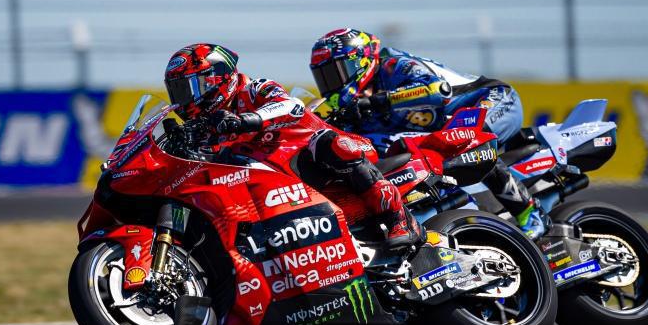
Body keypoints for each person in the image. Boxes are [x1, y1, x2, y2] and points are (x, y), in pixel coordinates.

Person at [163, 42, 421, 248]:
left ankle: (399, 219)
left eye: (189, 89)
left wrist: (247, 120)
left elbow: (292, 106)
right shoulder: (210, 127)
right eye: (178, 92)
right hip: (287, 192)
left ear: (216, 79)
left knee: (330, 144)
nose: (185, 101)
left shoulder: (254, 89)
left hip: (331, 153)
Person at [309, 28, 545, 238]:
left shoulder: (393, 65)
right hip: (445, 127)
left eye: (335, 73)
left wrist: (380, 101)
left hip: (494, 99)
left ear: (359, 62)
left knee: (465, 138)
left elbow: (437, 90)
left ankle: (529, 211)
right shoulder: (357, 105)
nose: (332, 84)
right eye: (324, 78)